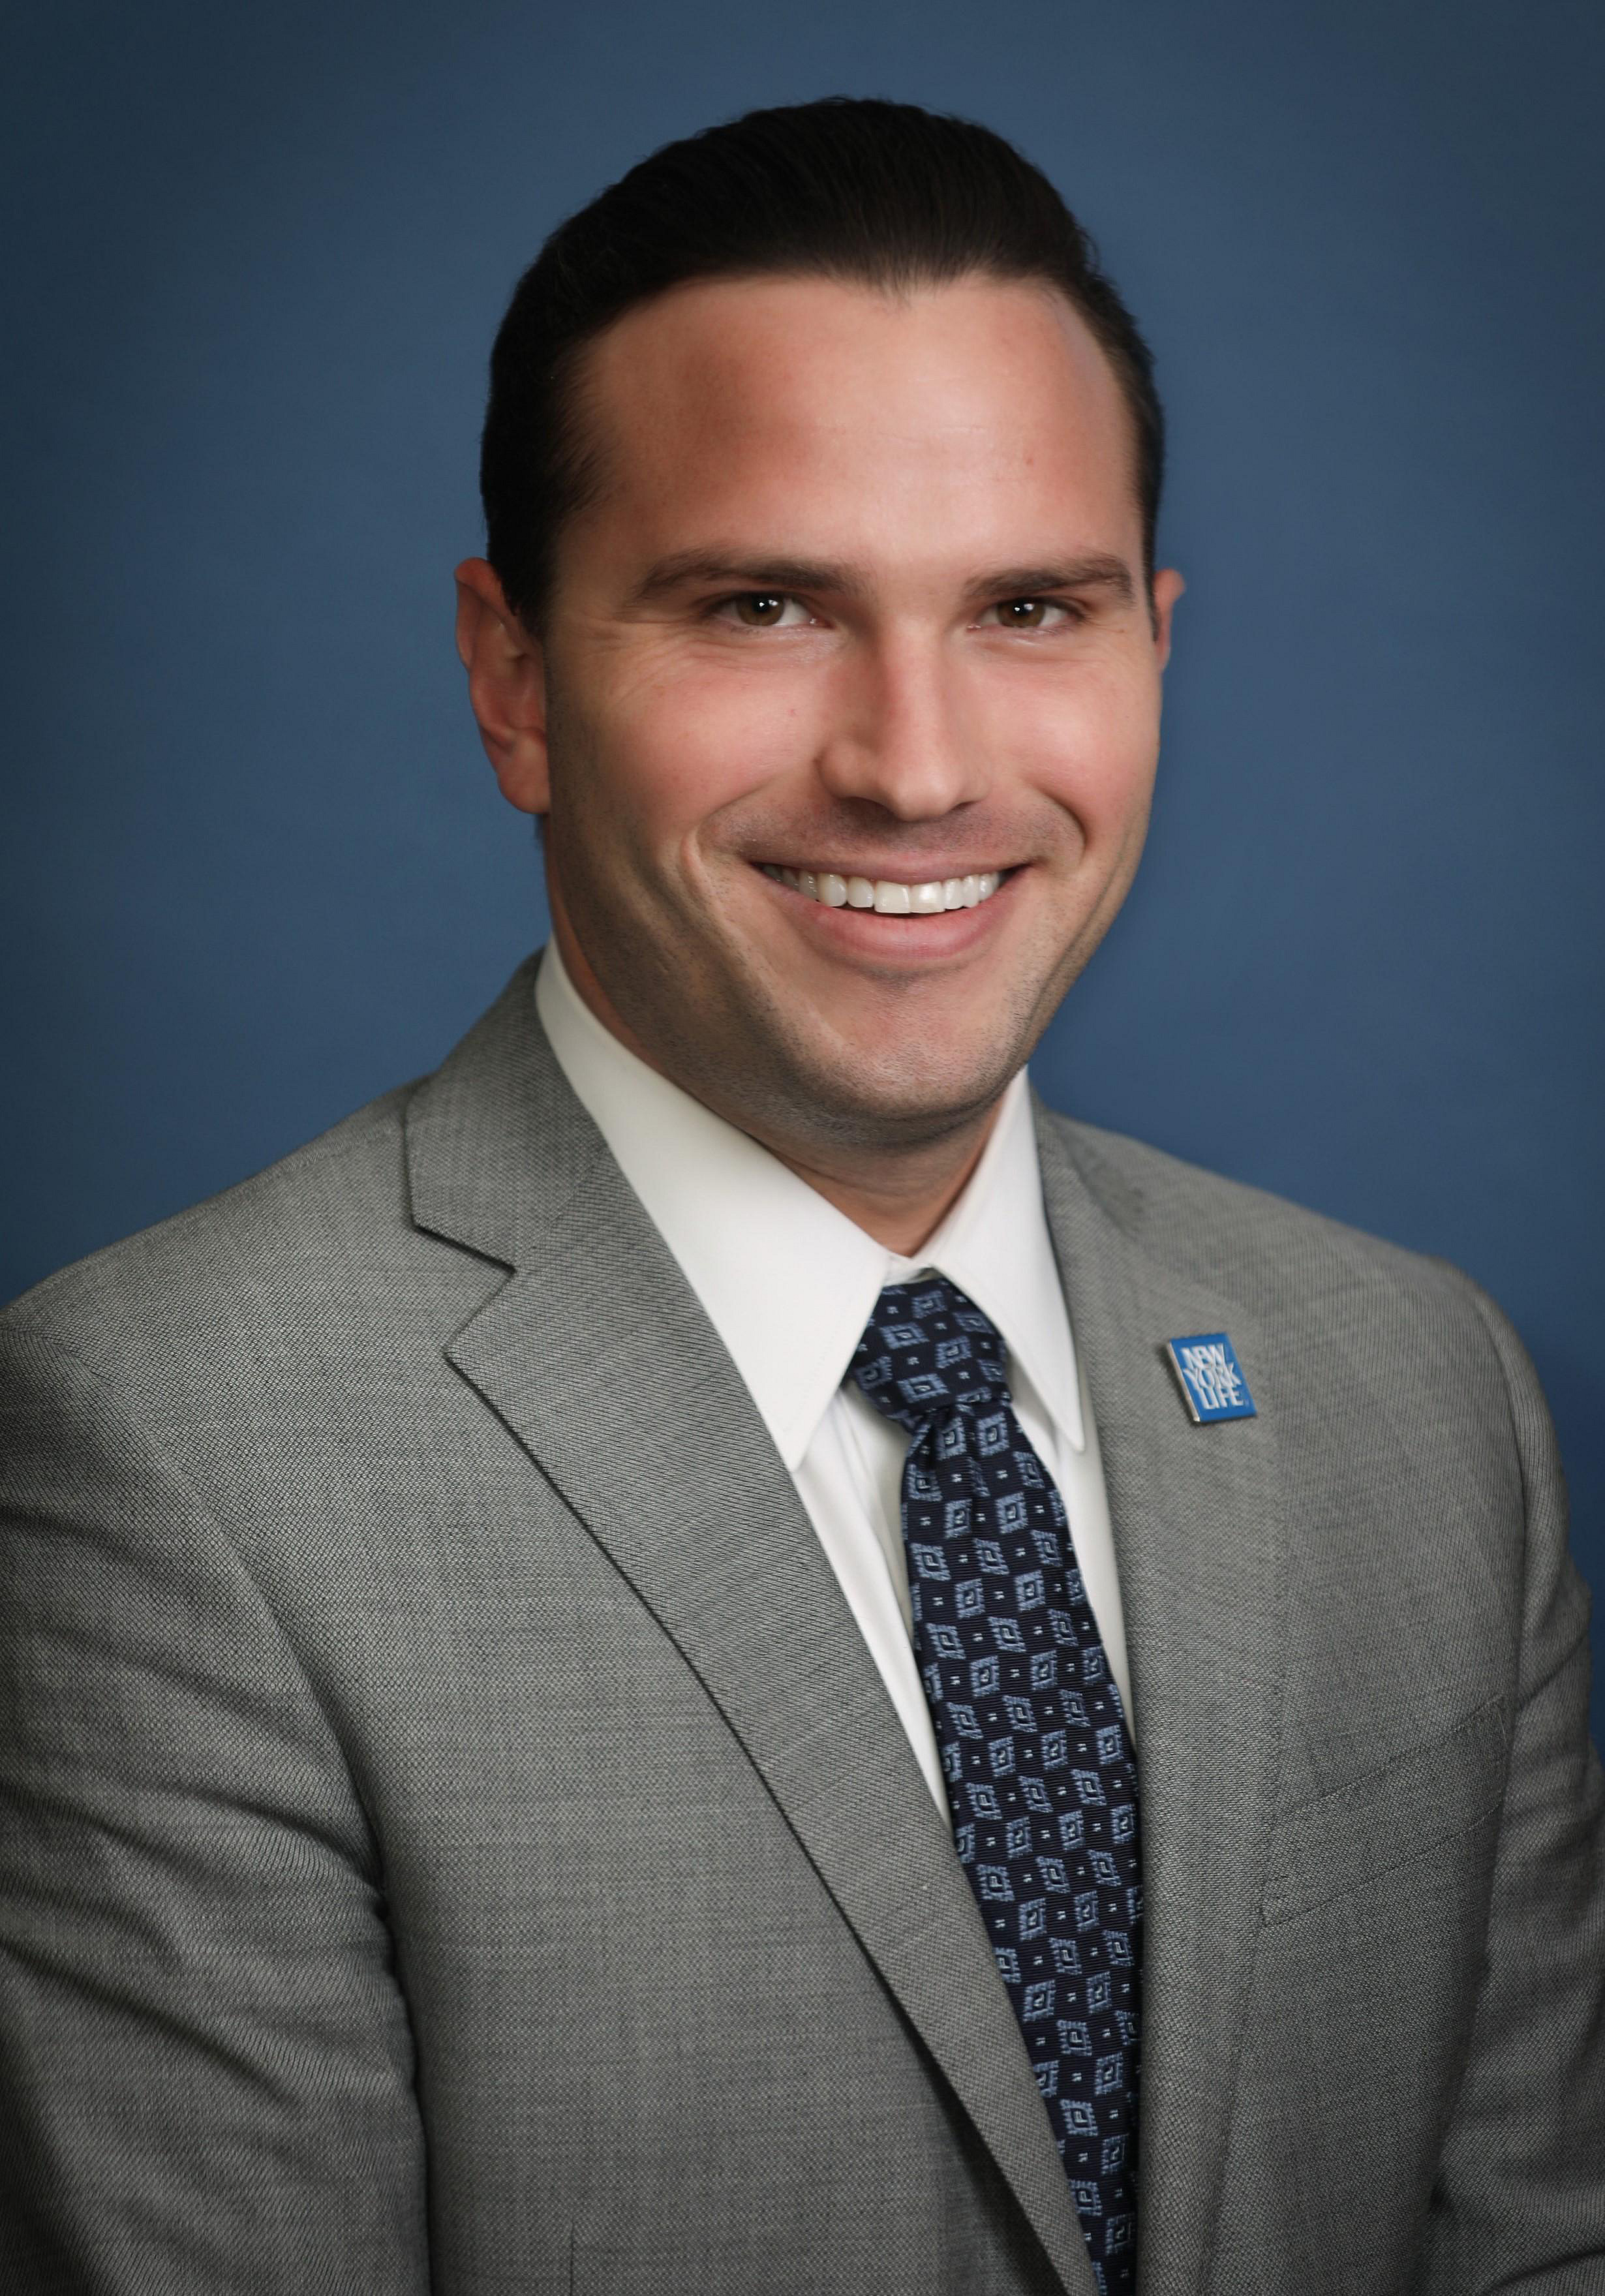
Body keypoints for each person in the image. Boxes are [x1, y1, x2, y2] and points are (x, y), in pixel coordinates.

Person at [1, 96, 1601, 2296]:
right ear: (513, 680)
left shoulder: (1415, 1390)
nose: (917, 762)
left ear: (1156, 642)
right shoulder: (168, 1455)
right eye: (762, 605)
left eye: (1030, 607)